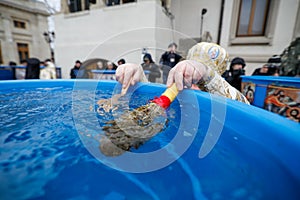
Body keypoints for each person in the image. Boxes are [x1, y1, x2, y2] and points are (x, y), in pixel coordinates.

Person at [116, 42, 249, 104]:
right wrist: (139, 79)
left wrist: (206, 74)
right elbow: (153, 105)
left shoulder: (224, 98)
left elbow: (243, 104)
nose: (192, 80)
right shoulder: (180, 88)